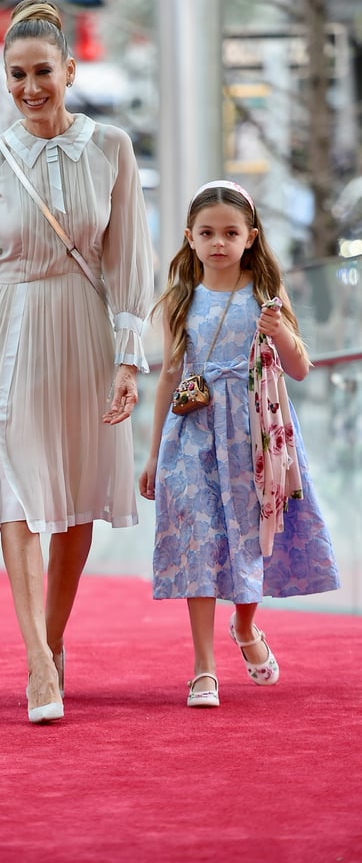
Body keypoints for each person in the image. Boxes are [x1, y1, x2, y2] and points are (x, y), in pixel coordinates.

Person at [0, 0, 155, 724]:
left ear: (70, 69)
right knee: (20, 491)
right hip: (12, 326)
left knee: (73, 500)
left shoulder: (112, 148)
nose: (30, 87)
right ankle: (36, 661)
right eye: (16, 75)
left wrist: (129, 362)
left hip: (86, 334)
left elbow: (130, 262)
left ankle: (54, 641)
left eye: (43, 72)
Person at [138, 180, 340, 708]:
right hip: (193, 435)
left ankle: (246, 627)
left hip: (255, 435)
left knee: (253, 541)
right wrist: (153, 452)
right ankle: (203, 669)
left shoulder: (264, 295)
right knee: (200, 542)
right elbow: (168, 377)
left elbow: (298, 369)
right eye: (207, 233)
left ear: (251, 237)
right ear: (189, 238)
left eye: (231, 232)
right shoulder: (184, 298)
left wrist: (280, 332)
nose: (219, 242)